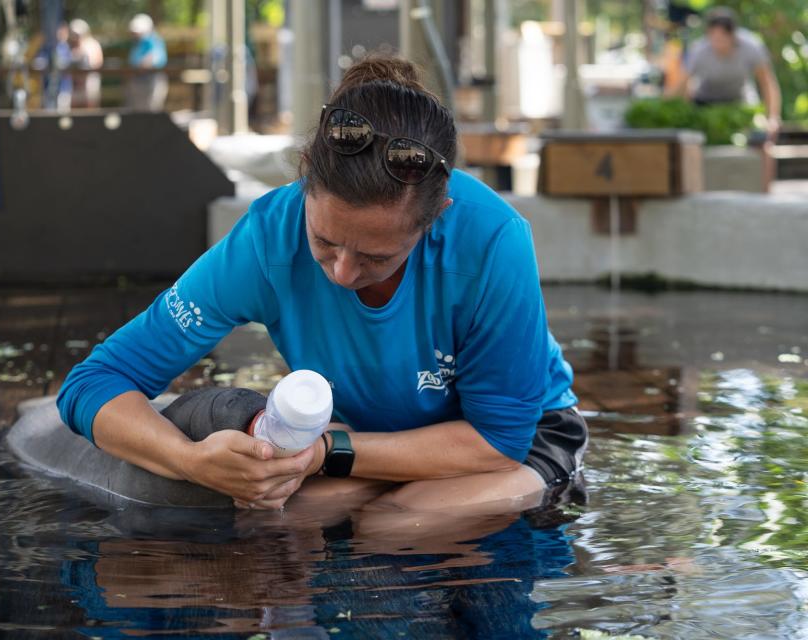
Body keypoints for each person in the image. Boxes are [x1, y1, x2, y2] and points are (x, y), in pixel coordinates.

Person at [57, 56, 587, 513]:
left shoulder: (495, 240)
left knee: (405, 522)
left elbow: (498, 441)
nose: (342, 274)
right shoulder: (267, 239)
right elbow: (93, 383)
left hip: (516, 440)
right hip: (362, 438)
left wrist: (325, 451)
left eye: (378, 257)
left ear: (436, 218)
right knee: (274, 517)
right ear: (306, 178)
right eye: (325, 242)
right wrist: (190, 463)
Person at [667, 6, 782, 139]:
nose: (718, 44)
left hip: (742, 102)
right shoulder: (699, 50)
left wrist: (773, 117)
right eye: (714, 38)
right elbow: (682, 84)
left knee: (763, 139)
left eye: (722, 38)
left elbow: (767, 82)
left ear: (733, 35)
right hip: (705, 103)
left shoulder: (751, 46)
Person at [125, 13, 168, 112]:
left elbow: (156, 60)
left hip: (152, 81)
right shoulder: (136, 44)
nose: (135, 34)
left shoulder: (155, 41)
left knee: (151, 111)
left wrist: (145, 63)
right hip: (137, 82)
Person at [68, 18, 104, 109]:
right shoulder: (71, 47)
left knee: (91, 106)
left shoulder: (93, 44)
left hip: (90, 82)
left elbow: (98, 62)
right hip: (75, 85)